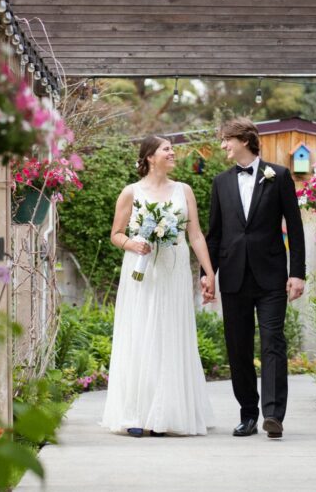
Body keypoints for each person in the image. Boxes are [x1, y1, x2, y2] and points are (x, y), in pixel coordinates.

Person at [101, 136, 218, 437]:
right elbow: (116, 233)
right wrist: (133, 243)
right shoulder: (131, 192)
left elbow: (195, 235)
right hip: (142, 272)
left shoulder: (184, 190)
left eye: (171, 148)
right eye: (167, 149)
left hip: (174, 270)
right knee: (140, 333)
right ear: (150, 157)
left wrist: (209, 272)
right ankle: (136, 413)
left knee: (170, 335)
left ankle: (165, 413)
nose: (172, 152)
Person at [202, 117, 306, 439]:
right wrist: (208, 275)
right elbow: (215, 234)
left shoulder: (280, 175)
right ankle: (248, 413)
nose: (223, 146)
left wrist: (297, 274)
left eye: (226, 140)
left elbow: (296, 228)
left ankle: (273, 415)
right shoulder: (220, 183)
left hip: (272, 275)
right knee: (238, 346)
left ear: (244, 140)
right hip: (233, 277)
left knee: (274, 341)